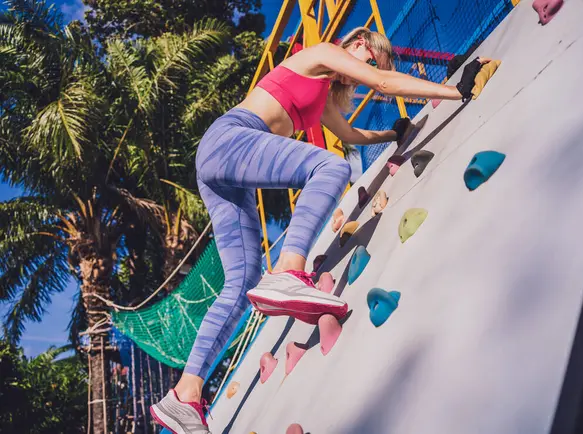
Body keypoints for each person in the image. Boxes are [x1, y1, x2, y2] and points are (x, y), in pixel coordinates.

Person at [151, 27, 486, 433]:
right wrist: (457, 90)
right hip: (231, 139)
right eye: (371, 61)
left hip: (220, 165)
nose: (367, 74)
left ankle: (185, 394)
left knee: (241, 285)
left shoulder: (324, 94)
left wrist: (392, 134)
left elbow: (349, 135)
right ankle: (290, 271)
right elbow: (383, 83)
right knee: (330, 168)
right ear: (360, 45)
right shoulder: (322, 53)